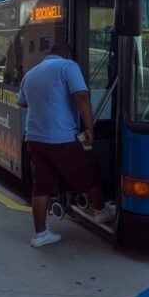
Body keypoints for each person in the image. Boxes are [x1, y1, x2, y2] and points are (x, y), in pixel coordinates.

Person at [17, 43, 116, 248]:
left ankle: (40, 234)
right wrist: (89, 128)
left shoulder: (31, 73)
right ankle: (101, 210)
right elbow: (81, 96)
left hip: (34, 138)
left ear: (47, 55)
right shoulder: (68, 66)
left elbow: (23, 102)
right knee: (89, 172)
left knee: (41, 185)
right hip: (61, 137)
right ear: (68, 54)